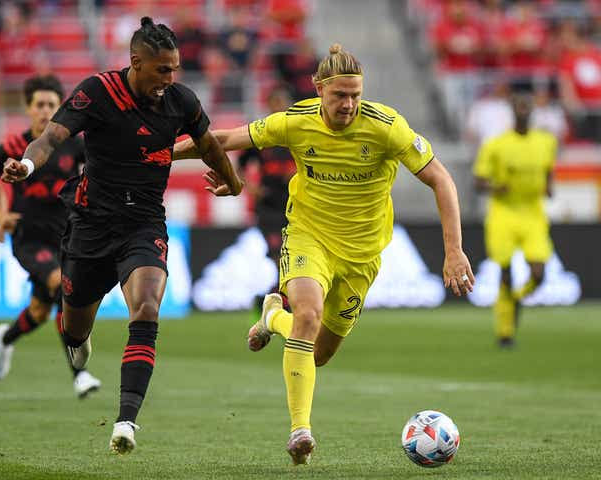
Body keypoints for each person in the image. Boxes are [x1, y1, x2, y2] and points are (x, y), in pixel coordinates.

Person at [174, 44, 474, 465]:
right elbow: (223, 138)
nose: (349, 104)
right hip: (308, 237)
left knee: (318, 353)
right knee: (309, 317)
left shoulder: (387, 127)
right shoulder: (295, 122)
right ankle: (300, 431)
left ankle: (272, 317)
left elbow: (441, 179)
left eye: (355, 94)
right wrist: (156, 155)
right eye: (339, 95)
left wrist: (454, 251)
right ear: (319, 90)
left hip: (361, 257)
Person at [0, 17, 243, 454]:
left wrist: (234, 181)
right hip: (90, 226)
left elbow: (209, 145)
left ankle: (126, 421)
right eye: (162, 70)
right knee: (74, 332)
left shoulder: (181, 101)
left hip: (144, 224)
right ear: (136, 63)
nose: (171, 79)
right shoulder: (97, 92)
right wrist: (27, 166)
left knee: (147, 308)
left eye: (175, 69)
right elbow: (51, 138)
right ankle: (77, 341)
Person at [0, 75, 102, 398]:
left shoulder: (72, 144)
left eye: (51, 104)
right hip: (29, 239)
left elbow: (98, 173)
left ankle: (6, 338)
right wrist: (0, 214)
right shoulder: (12, 148)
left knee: (38, 311)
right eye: (39, 105)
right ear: (28, 108)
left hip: (67, 235)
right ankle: (80, 374)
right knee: (62, 286)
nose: (46, 111)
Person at [473, 94, 557, 348]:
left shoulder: (545, 142)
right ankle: (505, 331)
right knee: (506, 271)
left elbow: (548, 169)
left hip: (533, 213)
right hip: (504, 212)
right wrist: (496, 187)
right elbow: (478, 181)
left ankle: (517, 299)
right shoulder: (496, 144)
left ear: (531, 111)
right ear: (512, 111)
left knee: (539, 274)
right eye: (519, 107)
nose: (523, 111)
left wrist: (550, 186)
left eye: (527, 107)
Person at [236, 85, 295, 320]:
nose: (279, 107)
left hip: (296, 209)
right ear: (269, 106)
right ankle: (277, 303)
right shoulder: (261, 135)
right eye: (276, 103)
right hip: (269, 209)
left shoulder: (298, 135)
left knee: (290, 260)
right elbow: (238, 167)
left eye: (283, 103)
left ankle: (269, 300)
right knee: (279, 257)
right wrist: (251, 189)